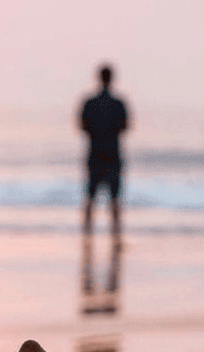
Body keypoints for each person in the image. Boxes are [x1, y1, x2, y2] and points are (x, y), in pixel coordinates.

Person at [79, 64, 130, 236]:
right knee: (114, 201)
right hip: (112, 154)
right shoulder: (118, 103)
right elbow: (125, 127)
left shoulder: (90, 103)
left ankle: (87, 235)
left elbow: (82, 126)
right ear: (112, 78)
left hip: (95, 154)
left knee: (90, 199)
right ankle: (116, 235)